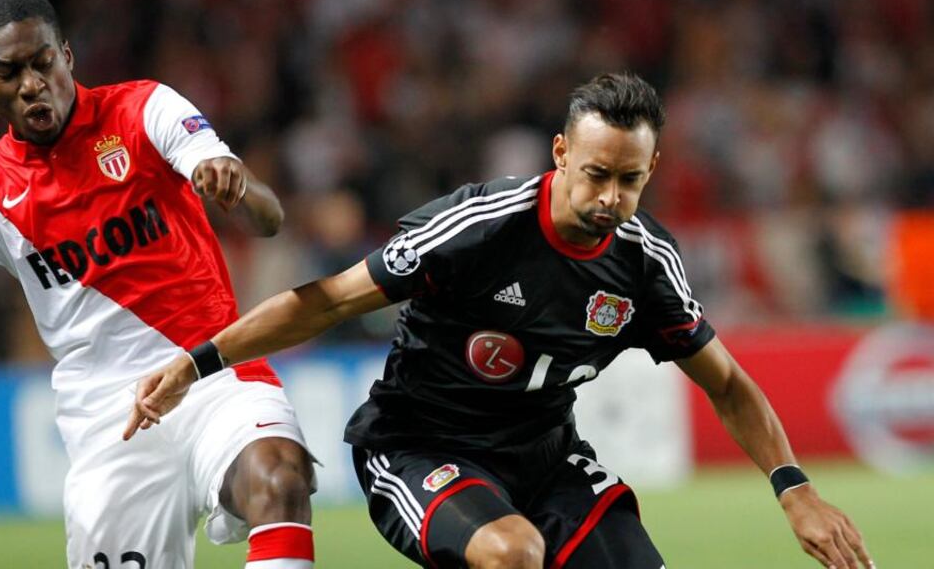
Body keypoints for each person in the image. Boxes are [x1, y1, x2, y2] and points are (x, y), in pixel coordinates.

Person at [126, 73, 875, 569]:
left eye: (631, 180)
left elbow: (728, 383)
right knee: (510, 554)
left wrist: (795, 489)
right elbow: (327, 299)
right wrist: (197, 363)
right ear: (560, 155)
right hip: (417, 447)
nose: (612, 197)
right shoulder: (478, 229)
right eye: (597, 174)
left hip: (544, 459)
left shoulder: (646, 264)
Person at [0, 0, 316, 568]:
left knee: (280, 476)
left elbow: (269, 219)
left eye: (42, 62)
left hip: (214, 370)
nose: (31, 84)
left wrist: (237, 186)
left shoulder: (145, 109)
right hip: (112, 422)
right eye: (9, 72)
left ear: (67, 57)